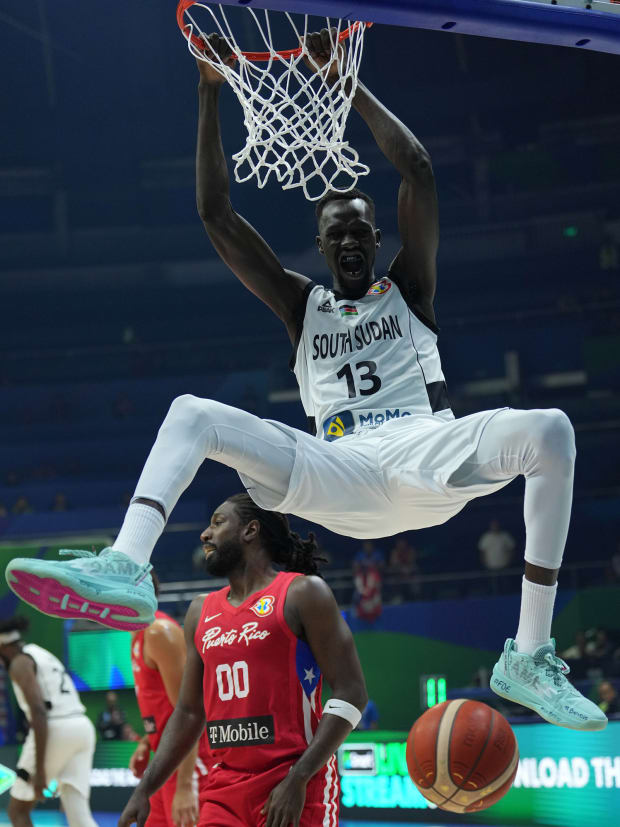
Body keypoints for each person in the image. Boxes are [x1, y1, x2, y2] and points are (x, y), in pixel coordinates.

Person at [6, 31, 606, 732]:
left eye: (361, 231)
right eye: (337, 234)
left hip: (424, 454)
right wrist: (208, 90)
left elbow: (417, 169)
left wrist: (343, 82)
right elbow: (215, 215)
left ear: (376, 241)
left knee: (551, 432)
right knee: (192, 412)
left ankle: (529, 653)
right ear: (321, 247)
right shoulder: (301, 305)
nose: (350, 241)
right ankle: (126, 563)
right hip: (338, 468)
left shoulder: (409, 289)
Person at [119, 493, 367, 827]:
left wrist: (299, 778)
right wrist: (145, 787)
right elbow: (189, 712)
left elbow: (352, 692)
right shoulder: (199, 611)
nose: (205, 534)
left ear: (250, 531)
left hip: (294, 784)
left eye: (218, 523)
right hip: (224, 790)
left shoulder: (303, 593)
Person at [0, 616, 97, 827]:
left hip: (56, 727)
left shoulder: (19, 662)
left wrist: (41, 771)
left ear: (4, 647)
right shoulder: (41, 653)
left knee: (17, 811)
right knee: (79, 815)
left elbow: (39, 711)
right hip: (81, 726)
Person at [129, 571, 208, 826]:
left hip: (189, 764)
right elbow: (164, 707)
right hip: (165, 763)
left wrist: (185, 786)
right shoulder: (137, 636)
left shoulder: (158, 633)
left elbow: (192, 712)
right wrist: (145, 742)